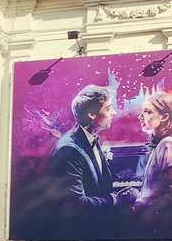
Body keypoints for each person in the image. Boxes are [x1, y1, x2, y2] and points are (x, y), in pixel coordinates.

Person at [49, 84, 124, 218]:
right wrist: (114, 199)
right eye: (108, 108)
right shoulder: (68, 150)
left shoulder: (91, 137)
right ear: (91, 114)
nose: (114, 112)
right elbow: (76, 204)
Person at [131, 91, 172, 212]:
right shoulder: (164, 143)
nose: (140, 116)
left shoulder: (169, 144)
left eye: (148, 112)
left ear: (165, 117)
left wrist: (140, 208)